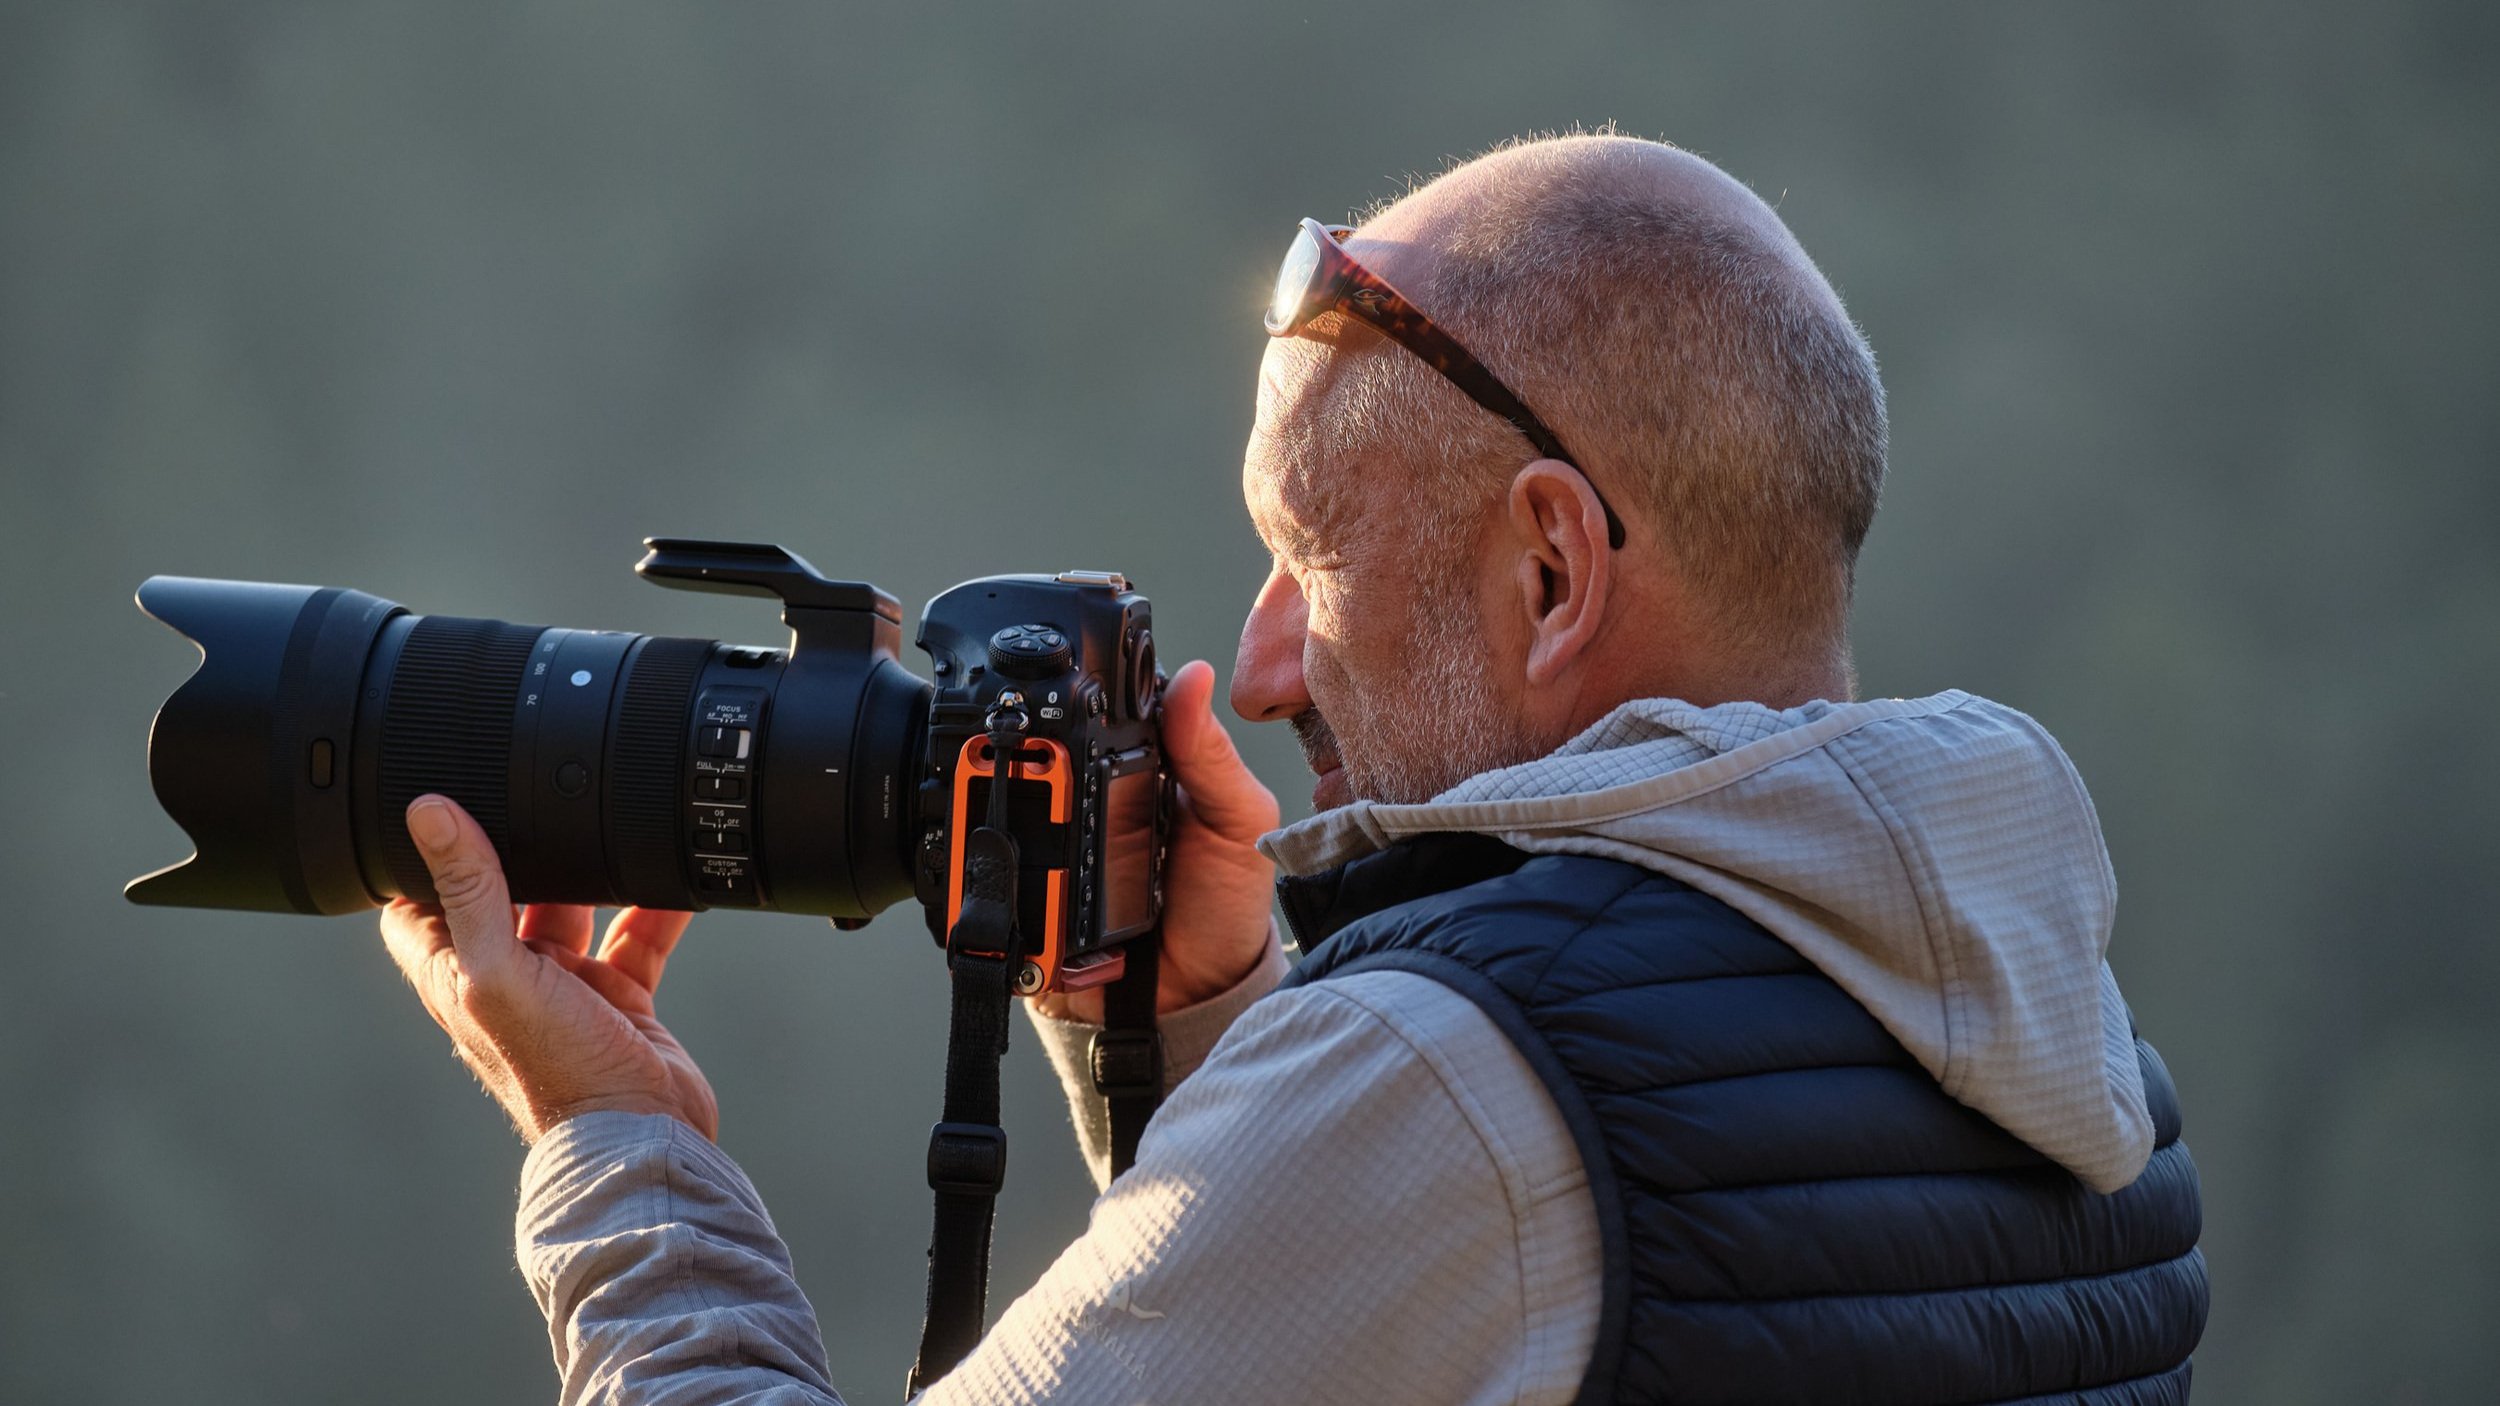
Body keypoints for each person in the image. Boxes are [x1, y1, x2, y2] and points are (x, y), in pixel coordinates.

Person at [380, 133, 2209, 1404]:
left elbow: (1486, 1191)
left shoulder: (1450, 1083)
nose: (1253, 670)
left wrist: (617, 1150)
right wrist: (1196, 1042)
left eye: (1310, 559)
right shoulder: (2071, 1056)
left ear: (1553, 570)